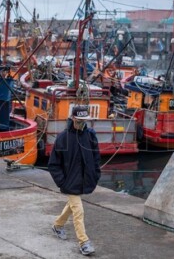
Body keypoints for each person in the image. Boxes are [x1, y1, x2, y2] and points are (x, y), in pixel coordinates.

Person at [48, 105, 101, 256]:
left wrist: (96, 174)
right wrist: (62, 182)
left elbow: (96, 158)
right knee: (79, 210)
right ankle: (84, 242)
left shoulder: (90, 135)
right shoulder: (63, 138)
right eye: (79, 121)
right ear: (72, 119)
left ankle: (58, 225)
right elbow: (53, 164)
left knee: (72, 206)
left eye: (84, 121)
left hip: (84, 180)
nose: (82, 124)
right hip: (70, 182)